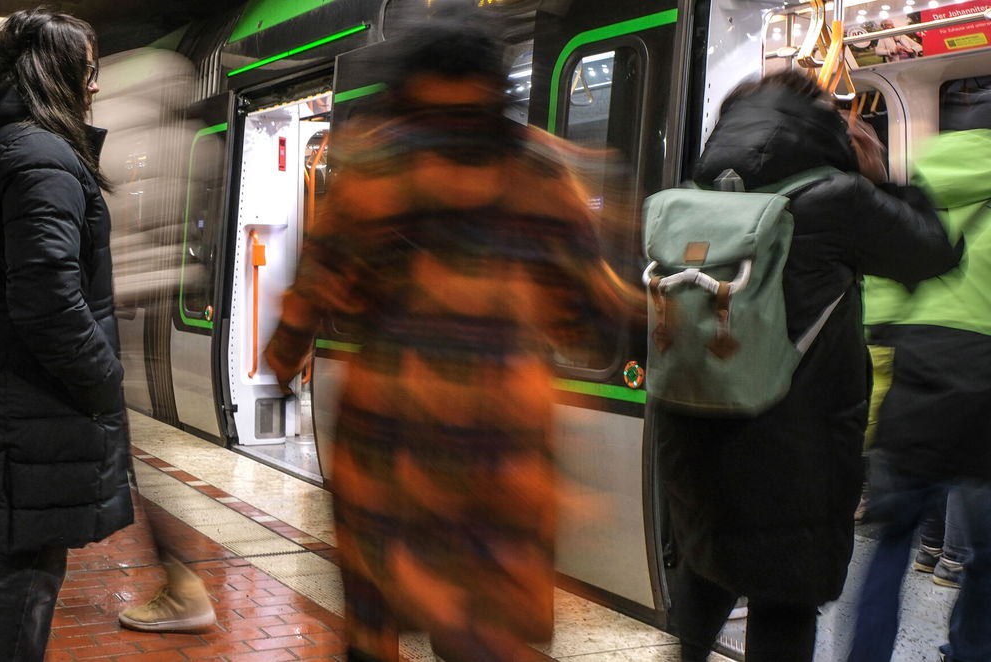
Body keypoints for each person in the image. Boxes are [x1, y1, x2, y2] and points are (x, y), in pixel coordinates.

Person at [261, 9, 634, 661]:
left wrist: (284, 361)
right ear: (496, 88)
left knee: (373, 628)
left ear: (404, 84)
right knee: (483, 635)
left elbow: (311, 297)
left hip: (386, 450)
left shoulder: (372, 170)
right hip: (502, 457)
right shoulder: (543, 171)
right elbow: (592, 327)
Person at [654, 70, 959, 662]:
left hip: (690, 419)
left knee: (705, 565)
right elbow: (931, 253)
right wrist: (879, 176)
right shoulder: (840, 197)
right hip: (797, 438)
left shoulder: (690, 196)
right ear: (821, 126)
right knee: (786, 595)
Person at [0, 9, 134, 660]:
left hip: (7, 392)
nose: (95, 86)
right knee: (28, 573)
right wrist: (105, 377)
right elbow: (47, 299)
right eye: (89, 70)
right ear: (56, 71)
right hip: (33, 400)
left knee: (26, 566)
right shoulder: (42, 157)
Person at [846, 92, 991, 662]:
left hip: (918, 384)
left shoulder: (922, 191)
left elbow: (880, 309)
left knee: (890, 549)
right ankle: (971, 652)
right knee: (985, 555)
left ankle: (866, 656)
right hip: (986, 389)